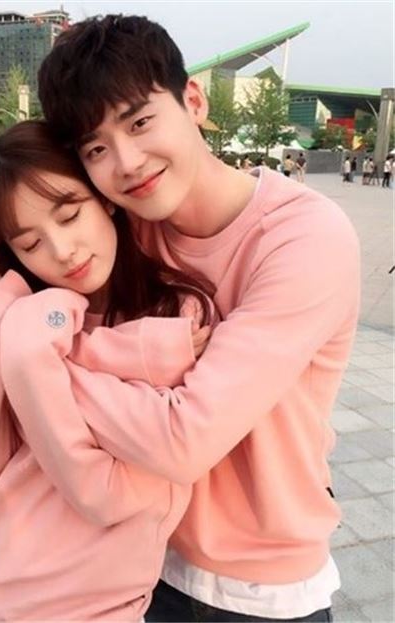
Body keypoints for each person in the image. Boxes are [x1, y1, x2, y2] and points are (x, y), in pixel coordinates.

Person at [38, 14, 360, 623]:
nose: (127, 161)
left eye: (139, 122)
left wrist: (37, 367)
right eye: (96, 148)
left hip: (259, 588)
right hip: (136, 561)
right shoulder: (116, 235)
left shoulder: (303, 236)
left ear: (193, 101)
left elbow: (185, 441)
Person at [0, 121, 217, 621]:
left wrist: (40, 353)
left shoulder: (176, 315)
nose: (63, 252)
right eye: (30, 244)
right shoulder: (19, 311)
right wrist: (36, 339)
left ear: (103, 198)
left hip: (93, 606)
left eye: (70, 214)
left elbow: (159, 451)